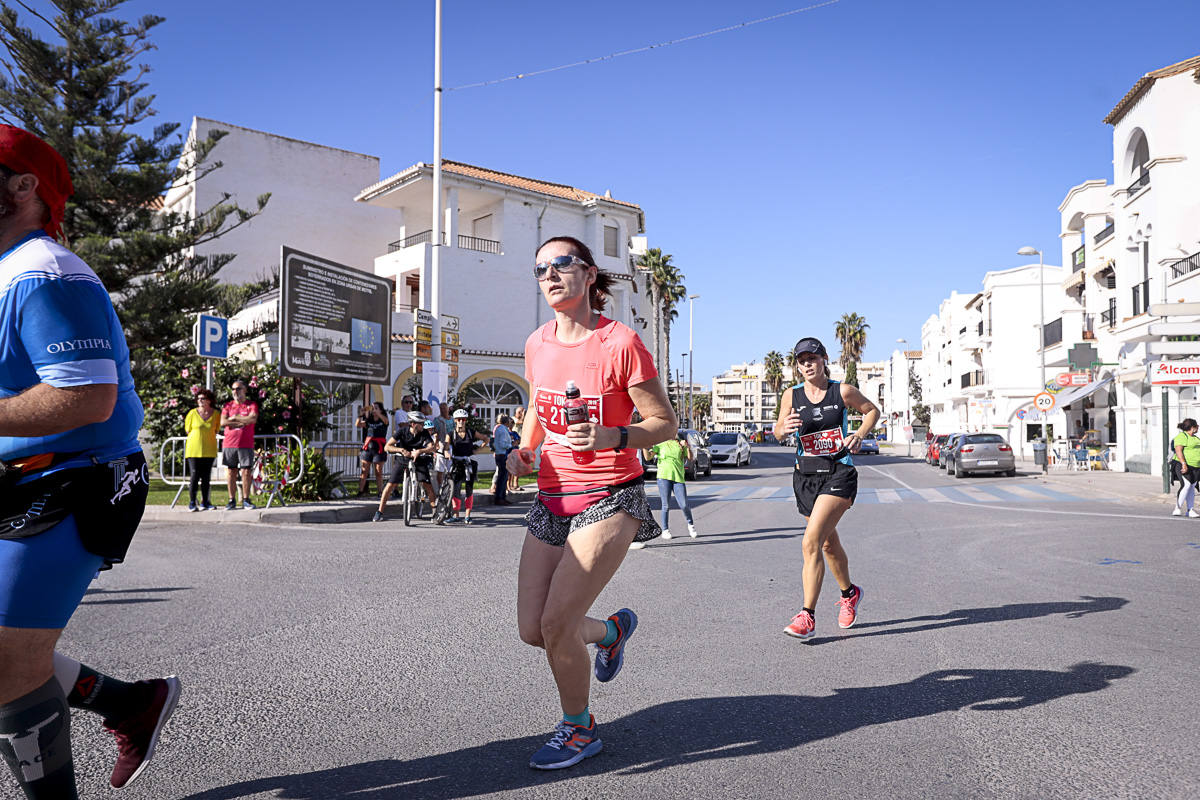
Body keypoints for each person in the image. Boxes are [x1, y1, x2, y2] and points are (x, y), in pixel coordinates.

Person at [0, 125, 180, 797]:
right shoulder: (7, 273)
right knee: (9, 652)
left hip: (75, 481)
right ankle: (129, 703)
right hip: (20, 480)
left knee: (9, 662)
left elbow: (86, 397)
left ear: (23, 188)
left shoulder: (46, 273)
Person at [507, 235, 675, 770]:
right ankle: (612, 631)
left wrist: (613, 438)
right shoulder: (537, 344)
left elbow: (664, 423)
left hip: (610, 494)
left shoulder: (621, 342)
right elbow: (537, 405)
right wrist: (526, 450)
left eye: (561, 264)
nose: (550, 275)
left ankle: (579, 729)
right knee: (533, 630)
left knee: (557, 623)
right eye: (540, 269)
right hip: (551, 494)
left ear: (589, 274)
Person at [773, 336, 880, 640]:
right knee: (827, 544)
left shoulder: (842, 390)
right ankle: (850, 593)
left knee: (810, 542)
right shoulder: (790, 396)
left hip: (838, 473)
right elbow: (778, 429)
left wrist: (859, 433)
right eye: (801, 361)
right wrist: (785, 428)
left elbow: (872, 410)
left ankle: (807, 615)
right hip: (805, 477)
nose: (807, 365)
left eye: (812, 359)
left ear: (823, 361)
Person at [373, 411, 436, 522]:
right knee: (390, 485)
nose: (423, 425)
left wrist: (420, 451)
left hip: (419, 460)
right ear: (412, 424)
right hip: (402, 460)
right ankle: (379, 511)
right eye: (420, 423)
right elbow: (387, 447)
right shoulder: (402, 432)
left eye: (423, 423)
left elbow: (432, 448)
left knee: (427, 484)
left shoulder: (424, 433)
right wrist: (401, 450)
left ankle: (435, 512)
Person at [639, 430, 698, 546]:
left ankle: (691, 525)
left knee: (684, 504)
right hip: (663, 477)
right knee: (665, 505)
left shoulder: (680, 444)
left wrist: (688, 446)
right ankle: (665, 530)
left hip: (678, 478)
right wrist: (644, 447)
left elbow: (690, 458)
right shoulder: (659, 444)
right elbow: (648, 457)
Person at [220, 379, 258, 510]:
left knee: (246, 471)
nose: (235, 391)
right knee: (231, 472)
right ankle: (231, 500)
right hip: (229, 444)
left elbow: (252, 418)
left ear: (245, 390)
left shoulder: (251, 404)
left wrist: (234, 418)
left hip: (245, 444)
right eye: (233, 389)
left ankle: (246, 500)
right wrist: (241, 421)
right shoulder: (228, 406)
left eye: (238, 388)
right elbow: (223, 422)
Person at [448, 408, 489, 524]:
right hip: (456, 463)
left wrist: (479, 449)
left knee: (469, 489)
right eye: (459, 419)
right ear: (455, 420)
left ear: (466, 420)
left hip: (468, 463)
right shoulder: (451, 434)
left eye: (463, 419)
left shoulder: (471, 432)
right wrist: (446, 451)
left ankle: (467, 515)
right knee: (455, 489)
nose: (461, 421)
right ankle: (456, 515)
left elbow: (486, 439)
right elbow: (446, 445)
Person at [184, 388, 219, 511]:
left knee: (206, 477)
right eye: (198, 399)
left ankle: (205, 501)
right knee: (194, 475)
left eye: (203, 398)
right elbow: (188, 430)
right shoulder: (192, 413)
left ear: (209, 400)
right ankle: (192, 502)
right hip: (193, 450)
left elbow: (216, 429)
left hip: (209, 450)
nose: (200, 401)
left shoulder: (215, 414)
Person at [355, 402, 389, 497]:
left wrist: (378, 413)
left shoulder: (383, 420)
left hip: (379, 448)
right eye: (373, 408)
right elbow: (357, 424)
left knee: (378, 472)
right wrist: (360, 415)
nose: (373, 410)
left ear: (381, 410)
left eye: (376, 408)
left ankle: (380, 492)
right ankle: (360, 491)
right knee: (364, 471)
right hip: (368, 448)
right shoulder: (369, 421)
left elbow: (386, 421)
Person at [1171, 418, 1200, 518]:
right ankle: (1177, 508)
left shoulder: (1196, 438)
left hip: (1196, 466)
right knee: (1186, 485)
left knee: (1192, 486)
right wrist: (1184, 464)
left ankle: (1190, 510)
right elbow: (1178, 451)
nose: (1198, 427)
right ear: (1192, 427)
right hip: (1182, 464)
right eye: (1197, 425)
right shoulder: (1182, 436)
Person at [432, 402, 454, 497]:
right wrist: (435, 444)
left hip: (451, 446)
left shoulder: (452, 420)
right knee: (440, 469)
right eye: (441, 409)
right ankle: (441, 488)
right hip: (441, 445)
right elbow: (435, 432)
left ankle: (450, 488)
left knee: (451, 469)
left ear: (448, 409)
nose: (443, 410)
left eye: (444, 408)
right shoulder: (437, 420)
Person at [492, 414, 514, 506]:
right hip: (501, 454)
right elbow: (502, 443)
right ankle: (499, 497)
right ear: (506, 422)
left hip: (500, 454)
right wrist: (510, 445)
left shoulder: (500, 428)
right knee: (503, 476)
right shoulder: (502, 429)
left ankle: (502, 497)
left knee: (503, 476)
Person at [507, 406, 526, 494]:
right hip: (511, 447)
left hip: (519, 445)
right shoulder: (513, 419)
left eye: (521, 412)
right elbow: (521, 421)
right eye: (519, 412)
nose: (521, 414)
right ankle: (509, 485)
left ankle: (515, 484)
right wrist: (524, 414)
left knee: (518, 466)